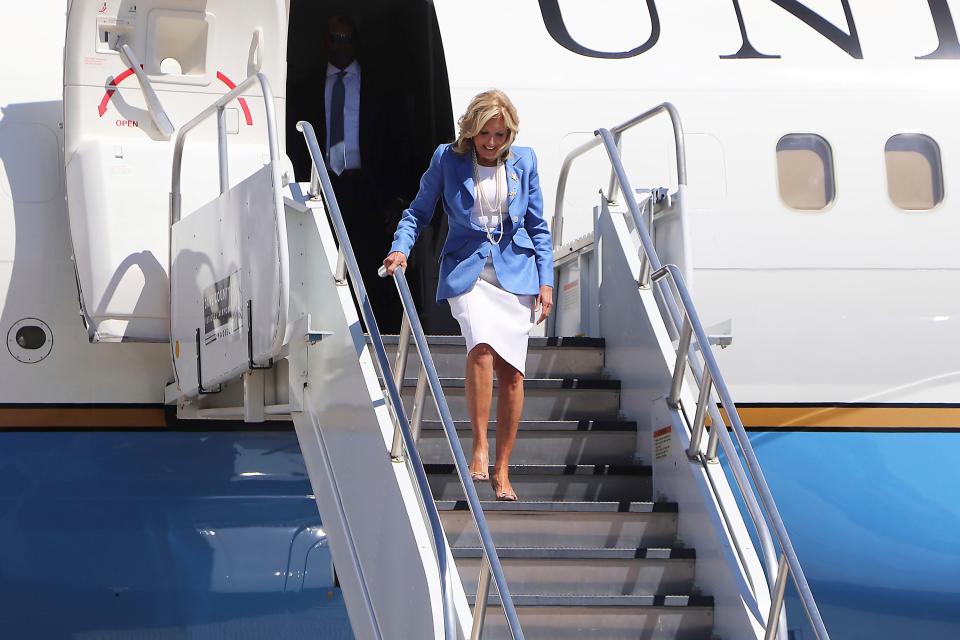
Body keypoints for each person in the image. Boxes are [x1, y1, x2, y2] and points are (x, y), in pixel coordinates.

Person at [383, 90, 553, 501]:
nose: (492, 143)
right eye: (484, 134)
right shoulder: (448, 158)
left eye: (499, 135)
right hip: (468, 268)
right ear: (470, 131)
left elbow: (537, 226)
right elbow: (418, 212)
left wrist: (546, 282)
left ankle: (503, 468)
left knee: (512, 372)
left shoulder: (524, 161)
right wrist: (400, 248)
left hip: (516, 271)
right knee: (480, 348)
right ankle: (478, 445)